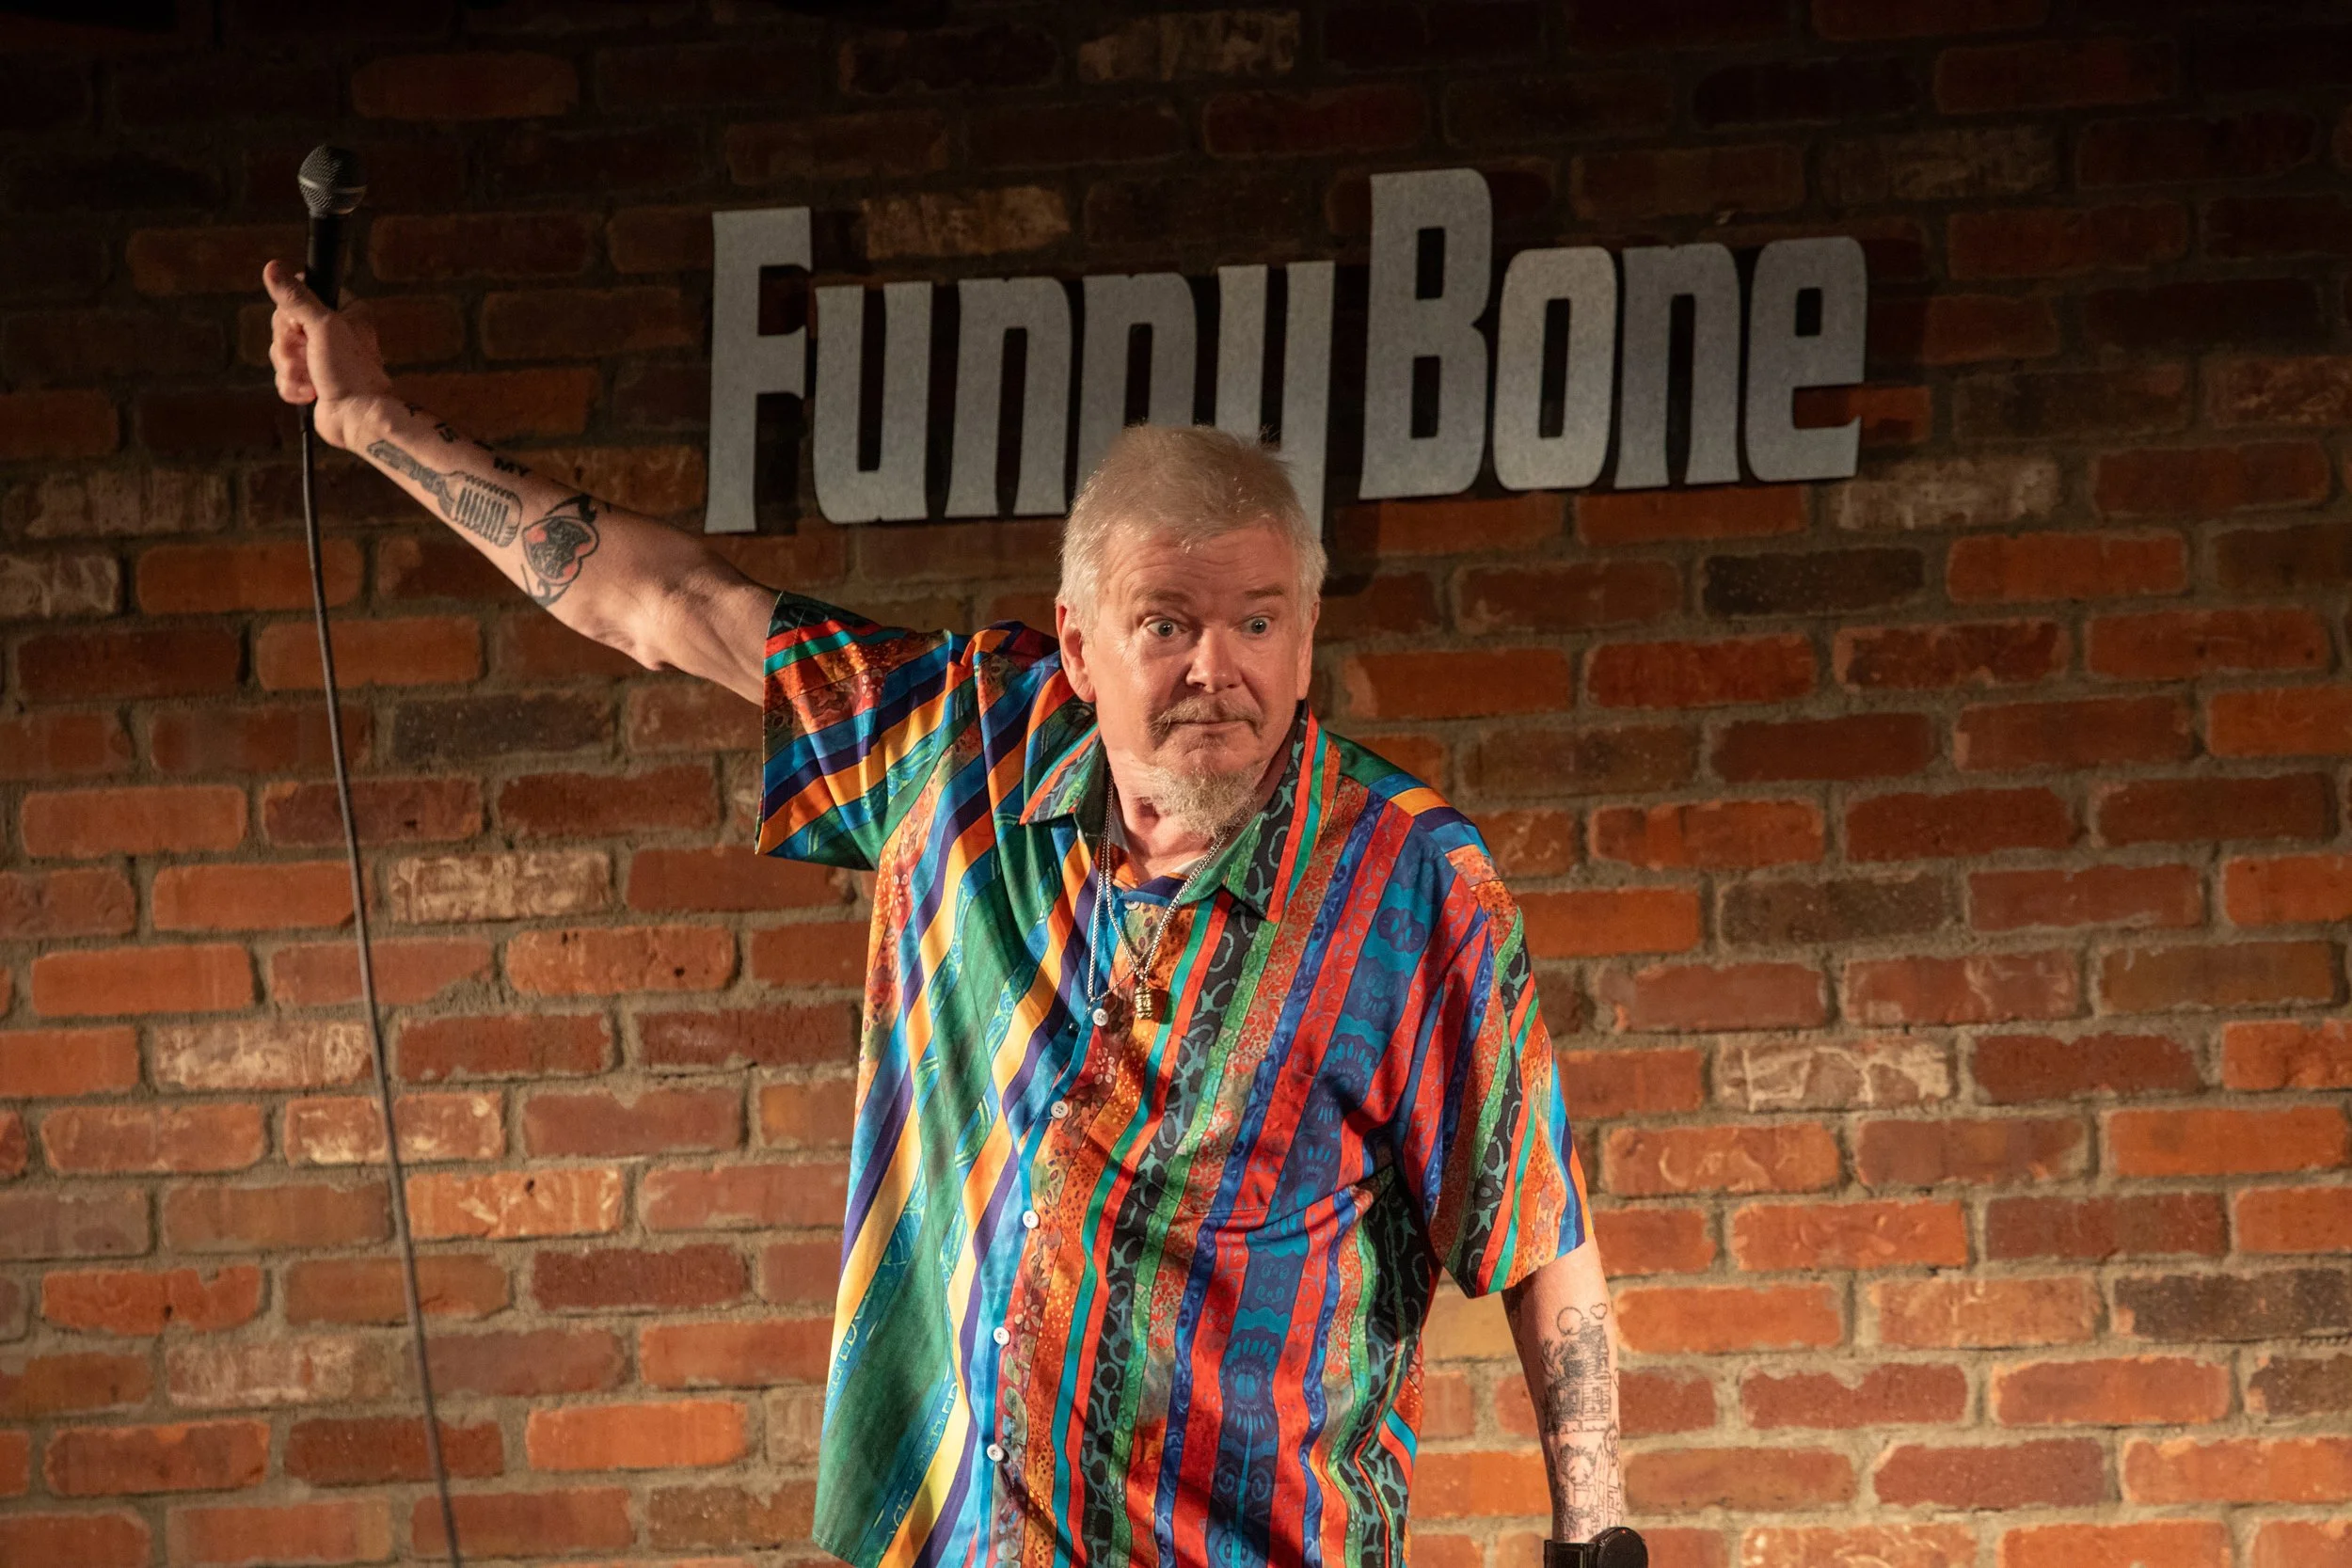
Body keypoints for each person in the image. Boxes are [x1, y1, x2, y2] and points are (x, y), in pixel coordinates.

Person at [264, 260, 1629, 1568]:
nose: (1220, 667)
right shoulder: (958, 745)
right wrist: (376, 423)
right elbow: (669, 604)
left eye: (1259, 623)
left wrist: (1594, 1543)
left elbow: (1535, 1226)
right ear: (1079, 645)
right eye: (1167, 623)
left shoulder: (1411, 885)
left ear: (1307, 635)